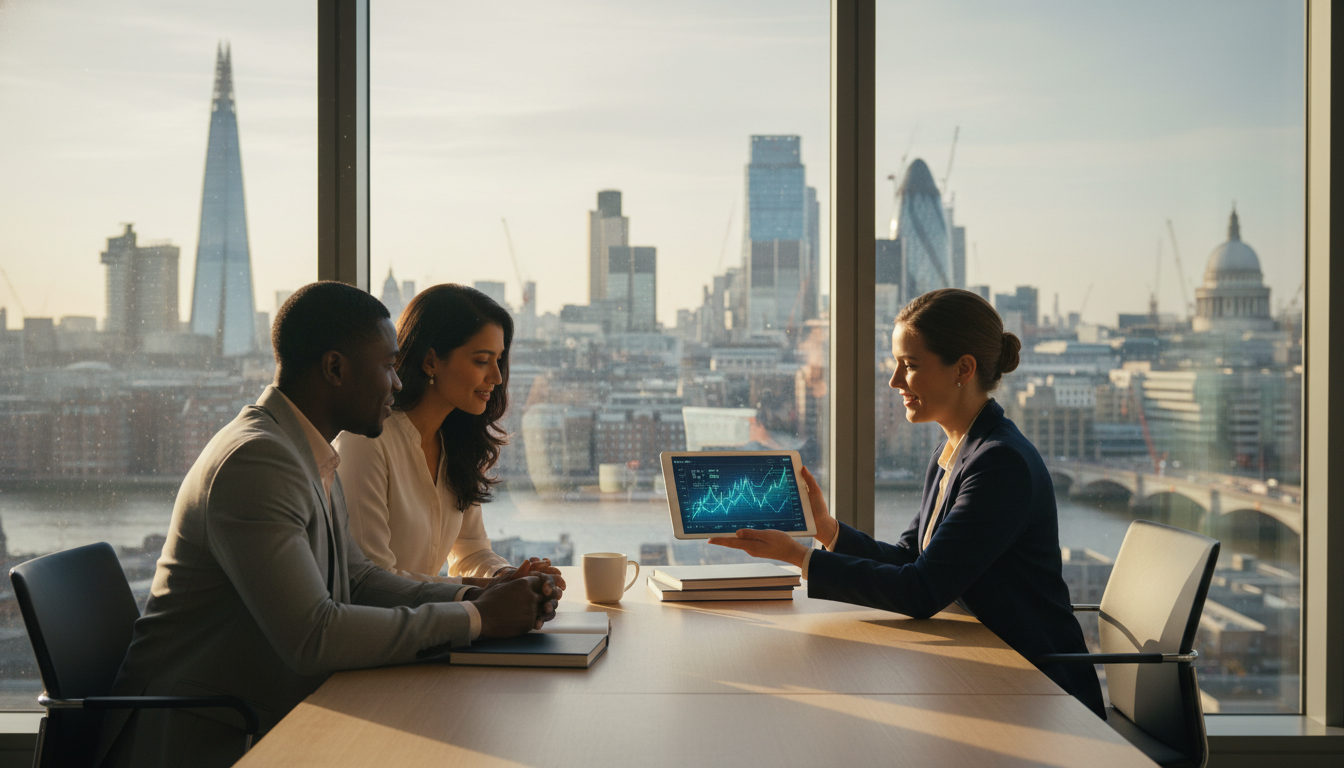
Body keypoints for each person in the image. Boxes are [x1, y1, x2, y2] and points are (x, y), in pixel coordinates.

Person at [98, 282, 562, 768]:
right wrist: (480, 619)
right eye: (387, 366)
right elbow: (313, 636)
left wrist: (474, 598)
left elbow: (357, 579)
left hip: (257, 711)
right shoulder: (257, 461)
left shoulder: (304, 450)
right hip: (197, 734)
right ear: (335, 368)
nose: (398, 383)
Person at [709, 288, 1106, 719]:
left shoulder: (1000, 464)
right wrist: (827, 530)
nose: (895, 381)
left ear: (964, 369)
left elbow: (921, 591)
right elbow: (911, 560)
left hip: (1039, 690)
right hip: (985, 668)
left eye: (910, 365)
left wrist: (801, 559)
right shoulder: (954, 450)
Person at [335, 284, 563, 589]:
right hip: (379, 631)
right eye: (482, 361)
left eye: (498, 360)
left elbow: (472, 551)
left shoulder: (457, 444)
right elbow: (372, 581)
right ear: (430, 361)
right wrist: (486, 593)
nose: (496, 377)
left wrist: (506, 576)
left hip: (432, 628)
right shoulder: (365, 444)